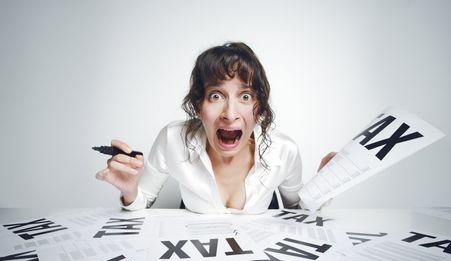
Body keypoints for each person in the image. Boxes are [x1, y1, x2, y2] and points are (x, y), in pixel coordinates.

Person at [96, 42, 335, 214]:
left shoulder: (284, 150)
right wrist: (130, 190)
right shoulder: (173, 139)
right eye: (216, 96)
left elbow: (297, 211)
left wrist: (324, 188)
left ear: (259, 108)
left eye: (245, 96)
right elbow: (142, 200)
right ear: (198, 106)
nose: (230, 114)